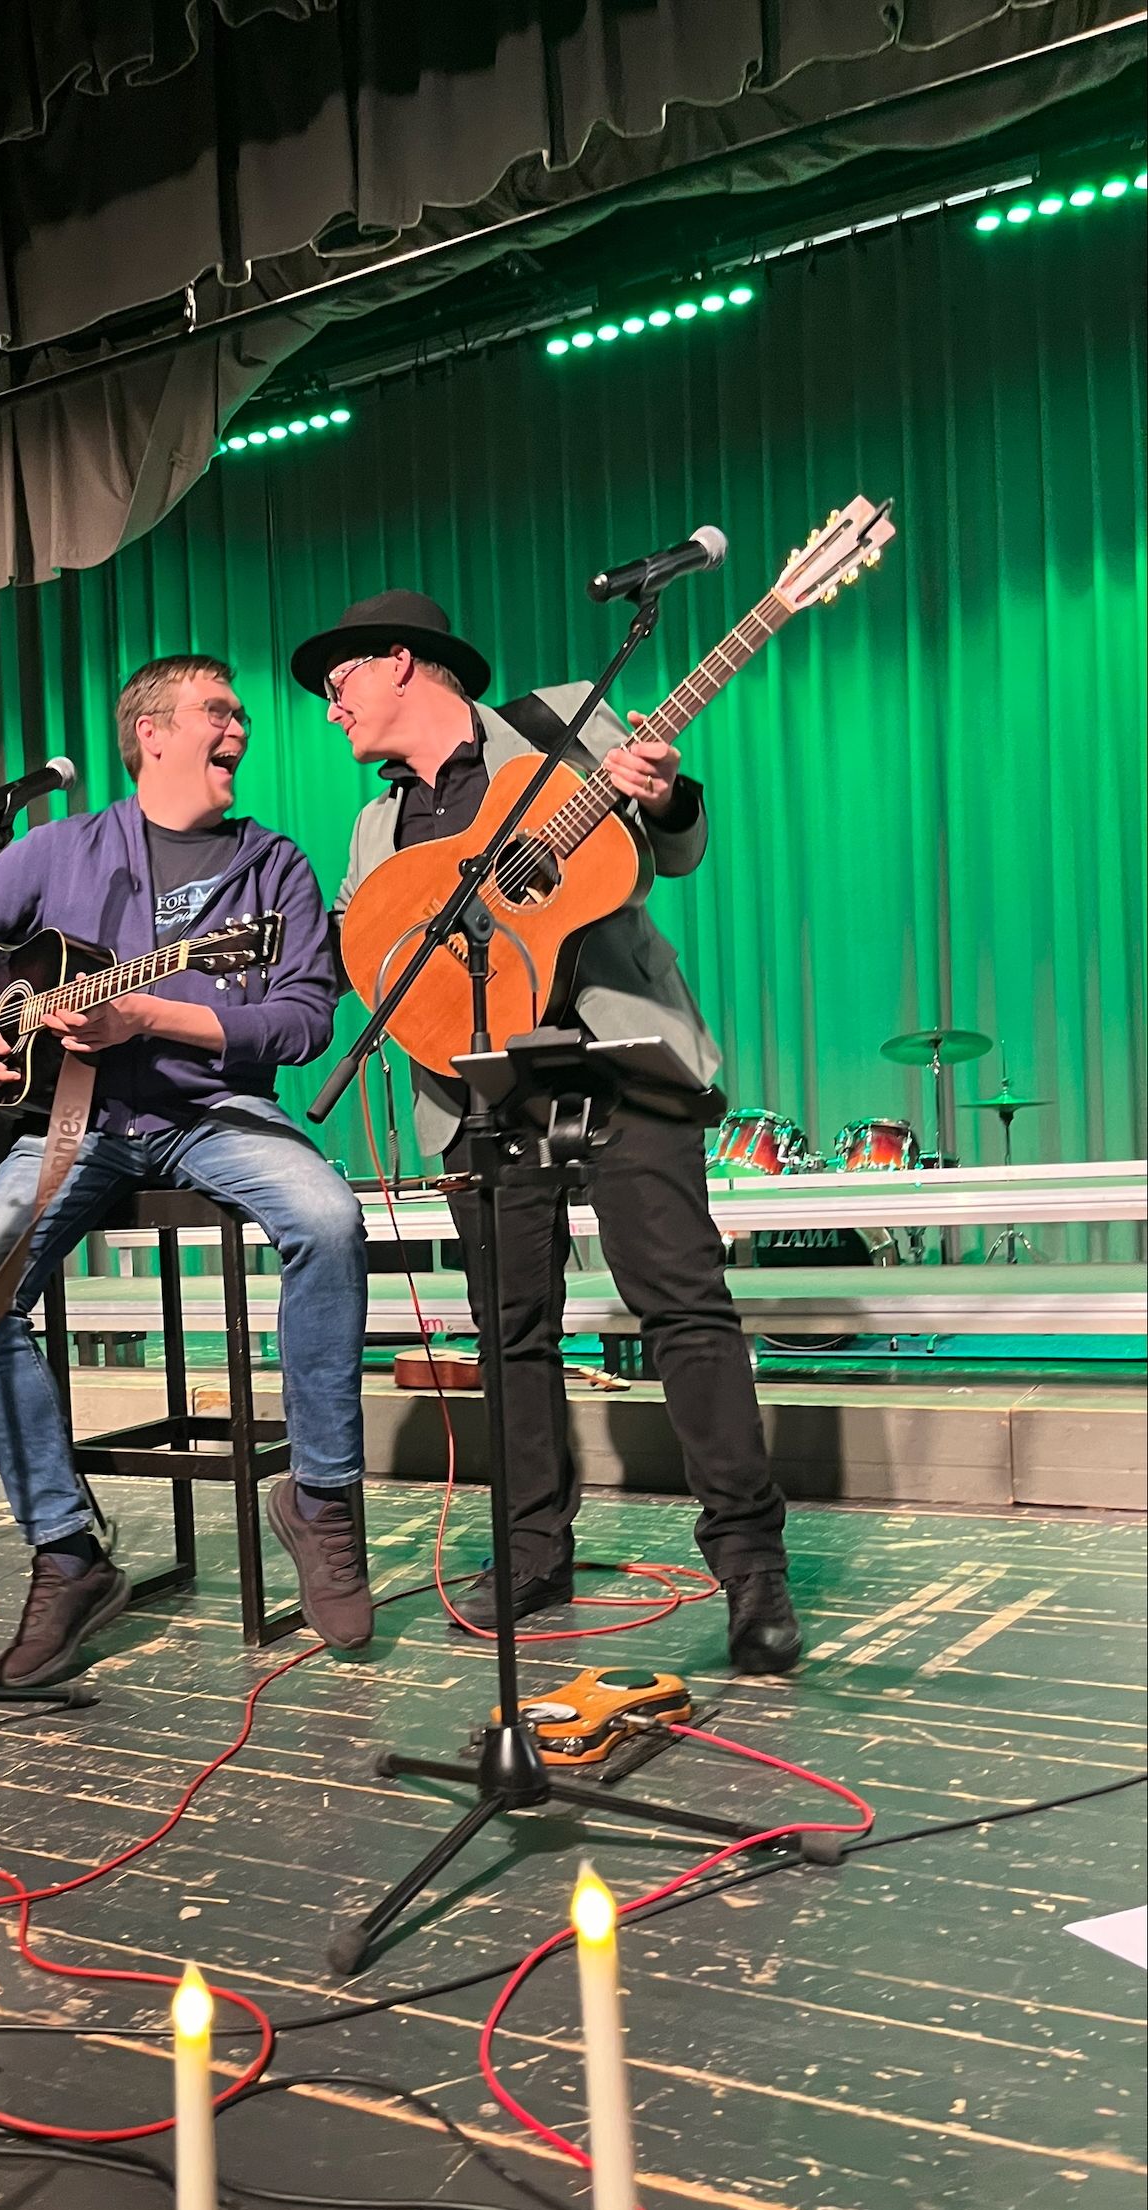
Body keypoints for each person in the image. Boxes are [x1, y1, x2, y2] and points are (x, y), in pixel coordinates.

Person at [292, 589, 799, 1675]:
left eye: (339, 684)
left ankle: (751, 1565)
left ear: (400, 662)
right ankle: (532, 1551)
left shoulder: (562, 720)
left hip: (620, 1056)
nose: (331, 708)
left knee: (682, 1306)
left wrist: (664, 795)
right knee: (508, 1330)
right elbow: (369, 947)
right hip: (478, 1085)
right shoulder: (376, 826)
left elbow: (668, 848)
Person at [0, 654, 373, 1684]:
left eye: (239, 715)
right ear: (151, 733)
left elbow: (301, 1021)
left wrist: (149, 1013)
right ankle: (68, 1553)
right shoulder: (62, 847)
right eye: (218, 711)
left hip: (214, 1113)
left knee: (330, 1222)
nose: (238, 727)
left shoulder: (272, 867)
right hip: (75, 1122)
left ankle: (322, 1498)